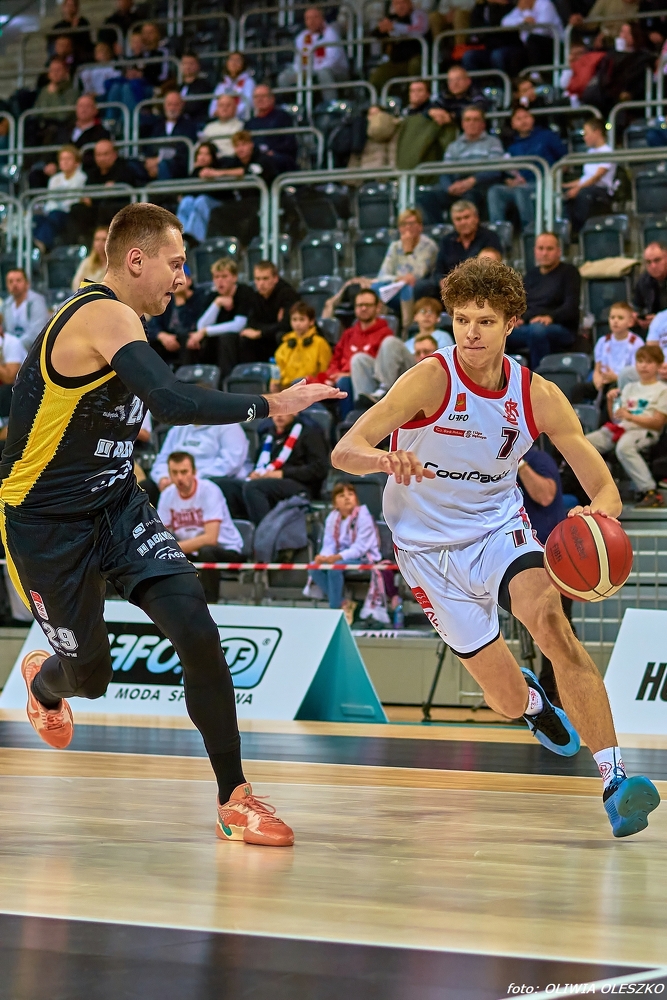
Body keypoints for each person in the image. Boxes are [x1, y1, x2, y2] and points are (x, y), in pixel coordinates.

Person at [0, 201, 345, 846]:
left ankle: (234, 797)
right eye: (176, 263)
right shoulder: (101, 314)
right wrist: (272, 403)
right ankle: (46, 684)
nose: (183, 278)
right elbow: (171, 400)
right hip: (44, 524)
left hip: (116, 505)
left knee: (197, 630)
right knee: (90, 677)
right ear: (136, 260)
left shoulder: (127, 324)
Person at [331, 255, 660, 839]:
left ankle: (615, 781)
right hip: (426, 552)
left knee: (553, 626)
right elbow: (344, 450)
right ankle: (533, 706)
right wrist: (384, 459)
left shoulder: (538, 395)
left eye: (484, 321)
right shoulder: (431, 378)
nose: (471, 333)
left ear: (510, 323)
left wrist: (598, 513)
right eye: (461, 320)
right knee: (504, 698)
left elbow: (603, 484)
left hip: (497, 530)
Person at [516, 445, 570, 706]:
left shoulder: (538, 459)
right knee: (543, 628)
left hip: (553, 559)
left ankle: (554, 695)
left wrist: (519, 463)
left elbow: (545, 495)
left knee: (556, 627)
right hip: (522, 556)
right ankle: (536, 696)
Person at [156, 451, 244, 603]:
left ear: (194, 472)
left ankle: (210, 603)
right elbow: (161, 536)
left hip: (226, 549)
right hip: (191, 550)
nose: (179, 478)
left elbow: (211, 538)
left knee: (206, 552)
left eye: (184, 472)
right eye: (174, 473)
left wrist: (175, 549)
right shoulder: (167, 495)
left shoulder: (209, 491)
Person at [587, 344, 667, 508]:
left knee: (624, 447)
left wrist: (630, 417)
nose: (643, 366)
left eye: (649, 362)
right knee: (585, 444)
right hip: (622, 427)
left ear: (659, 365)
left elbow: (658, 422)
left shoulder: (663, 390)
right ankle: (600, 488)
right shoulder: (629, 388)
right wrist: (610, 401)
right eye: (640, 361)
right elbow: (616, 418)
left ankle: (650, 491)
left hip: (645, 430)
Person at [219, 412, 329, 523]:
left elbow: (320, 469)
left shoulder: (310, 434)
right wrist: (255, 473)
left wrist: (282, 473)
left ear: (295, 411)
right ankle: (240, 529)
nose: (279, 415)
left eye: (284, 411)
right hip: (266, 481)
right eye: (276, 411)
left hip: (299, 485)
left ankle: (264, 530)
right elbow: (260, 462)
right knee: (226, 485)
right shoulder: (268, 435)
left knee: (254, 487)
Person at [416, 106, 504, 225]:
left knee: (469, 197)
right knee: (427, 197)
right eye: (468, 120)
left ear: (483, 124)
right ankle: (439, 230)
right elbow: (445, 171)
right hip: (456, 184)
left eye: (475, 120)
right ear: (462, 124)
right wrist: (449, 187)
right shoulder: (454, 146)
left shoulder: (493, 143)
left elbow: (495, 170)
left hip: (479, 185)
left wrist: (470, 181)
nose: (471, 123)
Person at [308, 481, 382, 621]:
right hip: (340, 558)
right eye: (341, 495)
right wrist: (323, 557)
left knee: (335, 568)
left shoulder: (364, 516)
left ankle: (335, 609)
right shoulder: (332, 517)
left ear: (356, 499)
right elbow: (329, 543)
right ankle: (344, 603)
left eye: (350, 494)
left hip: (364, 558)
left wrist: (337, 557)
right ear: (335, 503)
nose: (347, 498)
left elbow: (360, 548)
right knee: (314, 567)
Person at [506, 231, 580, 369]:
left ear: (558, 251)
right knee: (499, 330)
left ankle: (539, 376)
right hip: (529, 326)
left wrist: (550, 317)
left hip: (560, 327)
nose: (544, 253)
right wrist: (519, 318)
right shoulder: (531, 275)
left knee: (537, 331)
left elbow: (571, 308)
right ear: (535, 251)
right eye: (541, 248)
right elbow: (523, 304)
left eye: (549, 249)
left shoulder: (569, 273)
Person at [487, 107, 567, 230]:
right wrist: (511, 181)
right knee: (495, 191)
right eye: (518, 119)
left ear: (532, 119)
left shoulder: (547, 136)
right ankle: (498, 231)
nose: (523, 121)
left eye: (526, 117)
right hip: (522, 183)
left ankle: (530, 230)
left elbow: (564, 159)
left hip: (544, 182)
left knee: (521, 191)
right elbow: (508, 172)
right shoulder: (512, 146)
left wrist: (554, 177)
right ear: (513, 124)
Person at [315, 289, 394, 410]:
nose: (363, 308)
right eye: (359, 305)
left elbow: (379, 368)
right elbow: (335, 359)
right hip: (340, 378)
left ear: (377, 308)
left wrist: (347, 374)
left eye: (367, 305)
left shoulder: (385, 334)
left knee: (344, 381)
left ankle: (352, 418)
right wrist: (333, 374)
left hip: (367, 380)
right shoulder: (348, 334)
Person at [414, 200, 502, 300]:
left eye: (466, 217)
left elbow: (492, 269)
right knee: (421, 288)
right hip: (449, 289)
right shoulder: (447, 241)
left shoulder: (490, 237)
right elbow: (439, 270)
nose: (463, 222)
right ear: (453, 222)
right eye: (458, 219)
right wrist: (442, 281)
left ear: (476, 218)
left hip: (478, 287)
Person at [187, 257, 259, 376]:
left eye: (224, 276)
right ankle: (195, 378)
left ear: (234, 277)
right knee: (191, 339)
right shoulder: (213, 296)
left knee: (226, 338)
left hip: (242, 341)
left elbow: (238, 325)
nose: (220, 281)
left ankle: (227, 380)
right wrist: (217, 303)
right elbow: (201, 325)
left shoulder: (244, 292)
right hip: (217, 344)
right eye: (216, 277)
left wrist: (205, 331)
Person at [374, 208, 438, 328]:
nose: (408, 228)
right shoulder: (395, 246)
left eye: (412, 224)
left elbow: (418, 274)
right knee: (374, 288)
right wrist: (397, 279)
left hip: (419, 289)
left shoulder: (429, 246)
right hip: (395, 287)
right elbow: (382, 275)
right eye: (404, 224)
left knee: (406, 288)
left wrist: (408, 250)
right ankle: (379, 327)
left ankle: (407, 327)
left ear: (420, 227)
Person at [573, 302, 642, 405]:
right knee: (578, 389)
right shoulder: (603, 341)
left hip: (622, 383)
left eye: (620, 318)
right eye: (612, 317)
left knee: (611, 391)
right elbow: (597, 368)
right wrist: (597, 379)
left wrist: (615, 377)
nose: (615, 321)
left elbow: (635, 373)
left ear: (630, 322)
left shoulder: (636, 343)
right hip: (603, 381)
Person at [150, 421, 249, 490]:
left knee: (222, 485)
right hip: (178, 478)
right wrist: (163, 477)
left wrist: (192, 477)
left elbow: (231, 463)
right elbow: (162, 459)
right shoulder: (178, 428)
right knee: (147, 487)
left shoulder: (228, 426)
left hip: (212, 478)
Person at [278, 7, 348, 102]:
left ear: (322, 18)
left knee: (323, 73)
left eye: (315, 17)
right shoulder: (302, 37)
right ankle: (291, 106)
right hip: (308, 71)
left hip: (336, 72)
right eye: (308, 18)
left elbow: (332, 61)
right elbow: (298, 61)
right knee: (283, 77)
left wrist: (311, 71)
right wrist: (301, 71)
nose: (311, 21)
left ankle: (330, 104)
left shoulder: (331, 34)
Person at [145, 262, 211, 364]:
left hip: (194, 341)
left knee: (185, 339)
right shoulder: (167, 300)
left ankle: (186, 373)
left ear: (189, 281)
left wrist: (181, 305)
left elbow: (191, 327)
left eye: (179, 278)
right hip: (170, 342)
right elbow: (153, 324)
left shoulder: (201, 298)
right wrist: (162, 336)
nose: (175, 283)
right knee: (150, 342)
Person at [563, 118, 617, 237]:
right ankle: (565, 232)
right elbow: (585, 177)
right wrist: (565, 186)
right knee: (562, 192)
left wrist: (578, 188)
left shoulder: (607, 151)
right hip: (586, 187)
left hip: (600, 191)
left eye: (586, 134)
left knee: (584, 194)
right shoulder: (590, 152)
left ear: (597, 132)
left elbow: (597, 177)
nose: (584, 138)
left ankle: (581, 231)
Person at [32, 145, 87, 252]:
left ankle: (40, 245)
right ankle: (36, 244)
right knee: (37, 216)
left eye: (68, 159)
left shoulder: (81, 177)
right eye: (62, 159)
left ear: (77, 163)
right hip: (53, 211)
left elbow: (74, 199)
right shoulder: (54, 179)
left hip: (69, 212)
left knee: (55, 215)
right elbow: (51, 199)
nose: (65, 162)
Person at [394, 80, 458, 171]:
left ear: (428, 94)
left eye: (419, 90)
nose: (415, 94)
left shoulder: (436, 115)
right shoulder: (405, 113)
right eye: (412, 91)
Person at [370, 0, 430, 92]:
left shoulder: (418, 14)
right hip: (396, 61)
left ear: (410, 3)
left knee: (415, 65)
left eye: (403, 3)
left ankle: (416, 94)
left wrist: (395, 27)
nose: (400, 6)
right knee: (377, 78)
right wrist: (383, 29)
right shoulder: (392, 18)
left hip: (415, 57)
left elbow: (419, 30)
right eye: (397, 4)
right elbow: (376, 33)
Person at [142, 91, 199, 183]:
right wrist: (149, 161)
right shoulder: (157, 125)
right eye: (169, 104)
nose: (172, 108)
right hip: (154, 163)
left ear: (182, 105)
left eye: (175, 105)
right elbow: (150, 147)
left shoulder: (189, 126)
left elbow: (182, 151)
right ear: (164, 106)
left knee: (163, 165)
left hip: (177, 165)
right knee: (133, 165)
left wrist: (159, 160)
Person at [496, 0, 563, 75]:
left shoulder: (545, 4)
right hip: (530, 46)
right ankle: (520, 81)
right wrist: (523, 19)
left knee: (533, 40)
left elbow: (542, 31)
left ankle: (536, 75)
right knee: (513, 55)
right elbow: (504, 22)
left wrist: (528, 24)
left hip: (554, 44)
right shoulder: (523, 8)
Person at [275, 302, 333, 387]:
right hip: (288, 388)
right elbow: (278, 367)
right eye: (294, 319)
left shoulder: (320, 343)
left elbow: (324, 371)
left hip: (311, 387)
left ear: (311, 321)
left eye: (301, 319)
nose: (297, 323)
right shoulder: (286, 344)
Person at [246, 85, 298, 173]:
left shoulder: (283, 117)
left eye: (263, 96)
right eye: (256, 97)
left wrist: (273, 151)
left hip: (278, 158)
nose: (260, 99)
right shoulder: (249, 124)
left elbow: (290, 143)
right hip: (256, 158)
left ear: (272, 98)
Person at [29, 58, 79, 148]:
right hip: (44, 127)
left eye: (58, 70)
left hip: (62, 128)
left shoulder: (72, 92)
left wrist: (55, 93)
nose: (55, 73)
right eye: (52, 70)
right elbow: (36, 112)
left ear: (66, 72)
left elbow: (62, 116)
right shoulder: (44, 91)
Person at [3, 269, 50, 353]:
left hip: (33, 352)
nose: (14, 284)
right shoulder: (6, 305)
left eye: (18, 280)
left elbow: (37, 332)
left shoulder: (37, 301)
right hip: (11, 351)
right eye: (10, 282)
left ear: (27, 284)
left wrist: (14, 346)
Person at [208, 52, 255, 122]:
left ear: (243, 64)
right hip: (221, 121)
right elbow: (213, 107)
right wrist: (216, 113)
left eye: (238, 60)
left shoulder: (248, 82)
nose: (234, 63)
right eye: (231, 60)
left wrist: (230, 113)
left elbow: (249, 103)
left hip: (241, 121)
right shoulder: (222, 84)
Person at [633, 242, 667, 331]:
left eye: (657, 260)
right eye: (648, 262)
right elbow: (637, 306)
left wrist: (659, 320)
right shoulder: (643, 281)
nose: (653, 266)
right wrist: (637, 318)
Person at [48, 0, 93, 66]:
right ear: (63, 7)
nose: (70, 8)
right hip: (61, 57)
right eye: (68, 5)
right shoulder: (57, 27)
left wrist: (75, 28)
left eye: (73, 5)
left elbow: (85, 42)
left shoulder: (83, 23)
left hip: (78, 55)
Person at [199, 94, 244, 160]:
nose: (224, 108)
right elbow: (200, 147)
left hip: (231, 160)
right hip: (211, 161)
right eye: (221, 105)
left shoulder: (241, 126)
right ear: (217, 109)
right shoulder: (209, 127)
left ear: (235, 108)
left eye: (228, 105)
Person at [179, 53, 213, 124]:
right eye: (185, 63)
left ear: (198, 66)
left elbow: (194, 107)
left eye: (191, 63)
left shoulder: (204, 86)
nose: (188, 67)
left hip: (197, 122)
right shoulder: (178, 87)